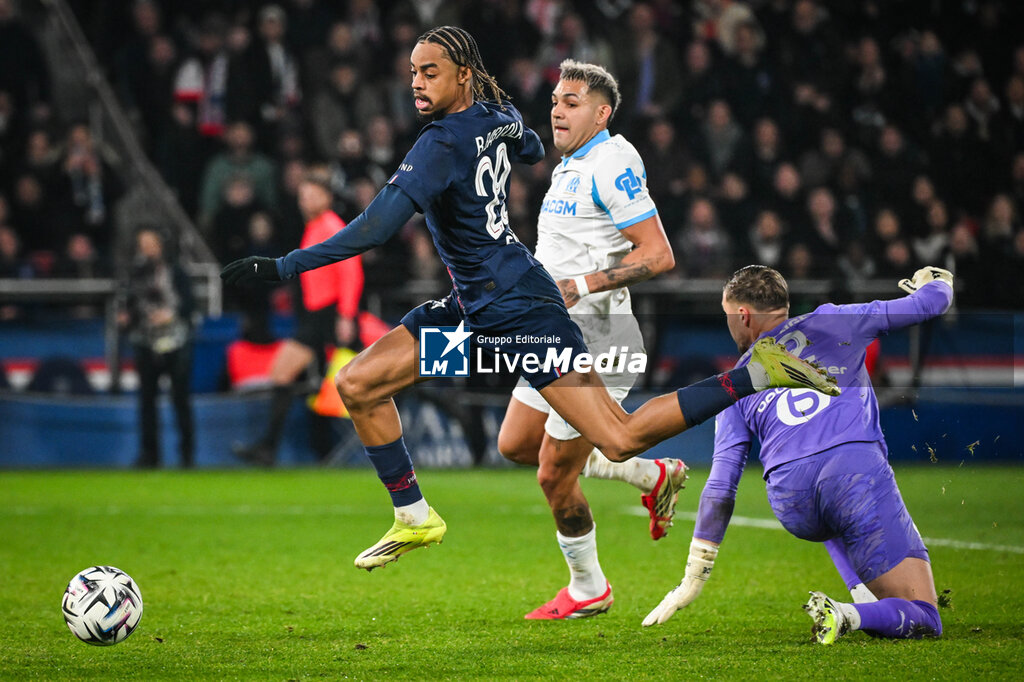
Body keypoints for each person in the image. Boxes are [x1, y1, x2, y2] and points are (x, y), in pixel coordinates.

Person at [221, 25, 837, 575]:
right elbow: (531, 147)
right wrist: (513, 130)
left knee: (617, 438)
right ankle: (413, 514)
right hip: (474, 306)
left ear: (462, 74)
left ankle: (753, 375)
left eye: (429, 71)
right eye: (412, 72)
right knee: (360, 383)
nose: (416, 82)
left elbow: (377, 230)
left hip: (519, 308)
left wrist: (284, 266)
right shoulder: (495, 116)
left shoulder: (438, 146)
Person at [643, 264, 953, 644]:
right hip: (853, 476)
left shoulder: (737, 379)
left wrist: (694, 578)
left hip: (793, 501)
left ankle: (862, 594)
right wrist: (936, 282)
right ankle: (846, 613)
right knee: (924, 616)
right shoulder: (837, 320)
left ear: (743, 315)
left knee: (830, 515)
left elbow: (721, 487)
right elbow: (930, 304)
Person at [495, 60, 685, 619]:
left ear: (601, 113)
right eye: (556, 99)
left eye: (572, 101)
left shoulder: (612, 160)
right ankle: (652, 475)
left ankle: (588, 588)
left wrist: (584, 284)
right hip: (551, 335)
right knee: (515, 445)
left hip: (598, 339)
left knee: (554, 473)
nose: (557, 108)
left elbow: (658, 253)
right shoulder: (568, 167)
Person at [232, 170, 364, 466]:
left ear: (327, 197)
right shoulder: (317, 226)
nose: (306, 201)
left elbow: (350, 270)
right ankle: (294, 448)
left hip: (327, 315)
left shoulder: (330, 225)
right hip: (319, 315)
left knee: (284, 372)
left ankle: (269, 447)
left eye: (313, 195)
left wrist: (346, 315)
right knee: (332, 379)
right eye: (303, 196)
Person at [119, 227, 195, 468]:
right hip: (145, 341)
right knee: (147, 400)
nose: (147, 248)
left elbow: (190, 305)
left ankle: (186, 455)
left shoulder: (176, 271)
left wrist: (169, 315)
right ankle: (149, 455)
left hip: (175, 340)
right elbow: (128, 306)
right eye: (143, 243)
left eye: (151, 242)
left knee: (180, 398)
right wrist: (126, 318)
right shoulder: (135, 274)